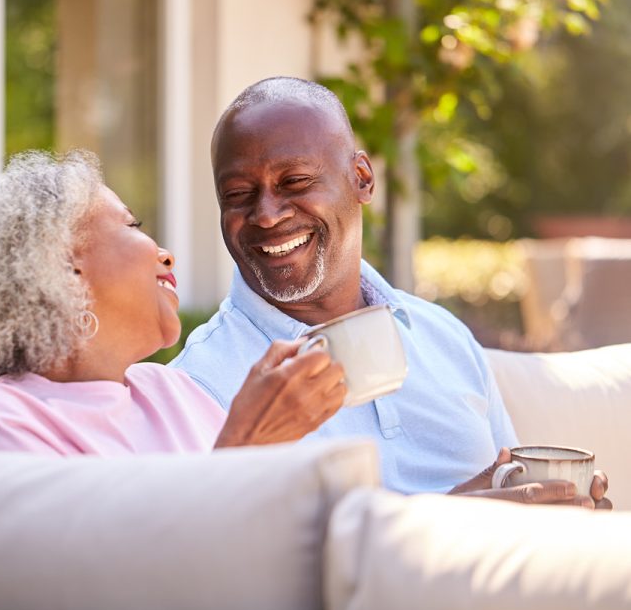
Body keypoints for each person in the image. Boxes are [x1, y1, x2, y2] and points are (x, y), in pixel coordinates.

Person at [170, 76, 610, 508]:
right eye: (238, 194)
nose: (266, 215)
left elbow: (510, 482)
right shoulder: (201, 382)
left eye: (296, 182)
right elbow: (227, 564)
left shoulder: (441, 336)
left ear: (361, 178)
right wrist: (449, 522)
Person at [0, 149, 346, 456]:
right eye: (132, 226)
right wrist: (247, 446)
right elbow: (90, 585)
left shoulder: (175, 392)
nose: (165, 253)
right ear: (61, 269)